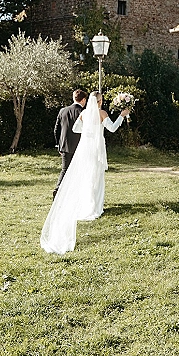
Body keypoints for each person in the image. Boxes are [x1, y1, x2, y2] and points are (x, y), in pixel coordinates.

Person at [41, 92, 129, 255]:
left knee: (87, 176)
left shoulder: (83, 113)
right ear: (100, 101)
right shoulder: (102, 113)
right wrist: (122, 116)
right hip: (96, 148)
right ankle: (95, 207)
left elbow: (76, 128)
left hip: (85, 147)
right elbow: (112, 128)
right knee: (96, 177)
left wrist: (88, 133)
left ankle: (87, 205)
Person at [52, 89, 88, 198]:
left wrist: (58, 144)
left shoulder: (63, 111)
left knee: (65, 169)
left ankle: (58, 189)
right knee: (81, 170)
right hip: (79, 146)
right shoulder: (83, 112)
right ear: (83, 100)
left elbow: (56, 130)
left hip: (64, 145)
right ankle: (77, 193)